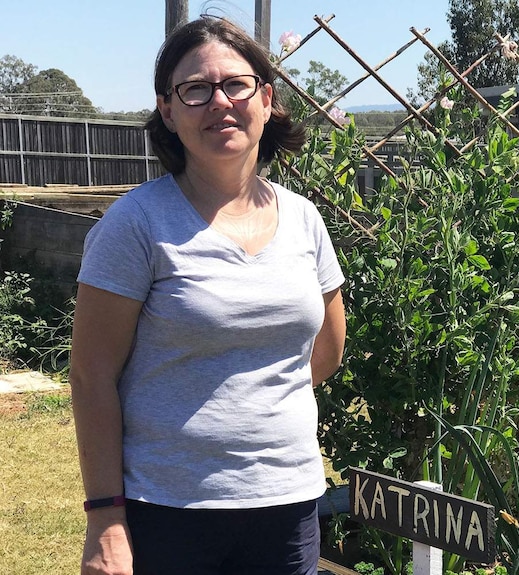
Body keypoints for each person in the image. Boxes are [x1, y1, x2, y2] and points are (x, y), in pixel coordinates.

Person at [69, 15, 346, 575]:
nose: (219, 101)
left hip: (287, 503)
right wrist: (105, 519)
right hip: (167, 509)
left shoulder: (304, 219)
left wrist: (249, 405)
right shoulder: (136, 225)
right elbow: (91, 376)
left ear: (265, 99)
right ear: (168, 111)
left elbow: (325, 353)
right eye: (194, 89)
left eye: (236, 84)